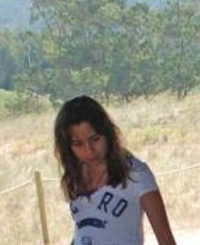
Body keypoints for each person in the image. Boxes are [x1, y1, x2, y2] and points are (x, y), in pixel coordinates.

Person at [53, 96, 177, 245]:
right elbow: (84, 227)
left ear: (108, 134)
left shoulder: (136, 174)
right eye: (78, 144)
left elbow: (166, 240)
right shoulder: (73, 177)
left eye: (95, 139)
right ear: (67, 147)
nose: (89, 150)